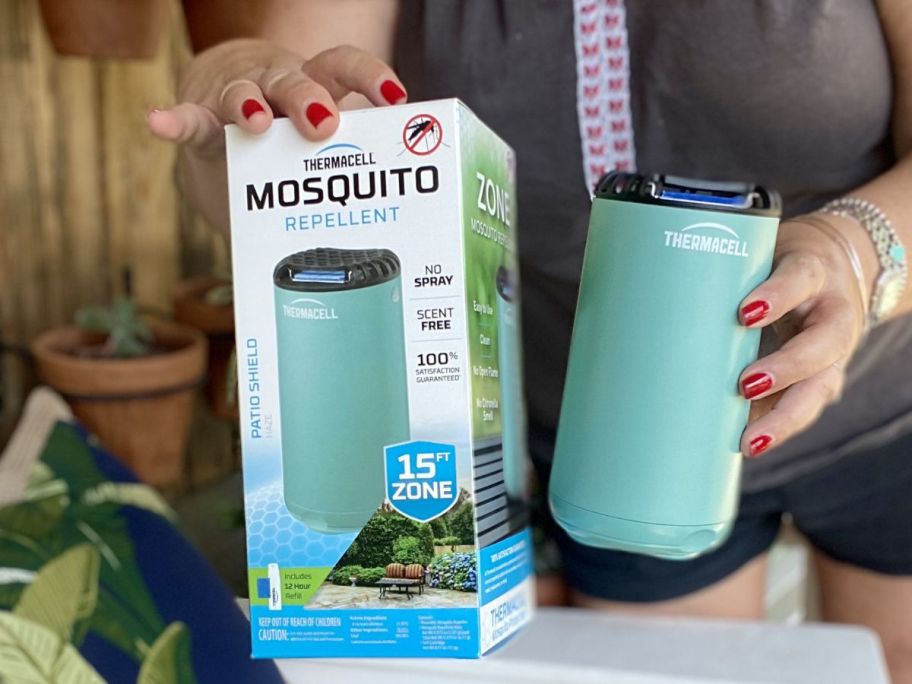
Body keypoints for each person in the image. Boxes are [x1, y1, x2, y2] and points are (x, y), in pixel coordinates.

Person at [149, 1, 912, 679]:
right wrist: (244, 110)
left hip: (888, 408)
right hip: (613, 454)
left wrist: (854, 250)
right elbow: (263, 148)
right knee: (676, 671)